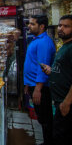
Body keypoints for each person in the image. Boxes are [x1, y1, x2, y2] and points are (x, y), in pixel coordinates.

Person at [23, 15, 55, 145]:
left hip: (40, 88)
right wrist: (27, 84)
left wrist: (38, 89)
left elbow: (43, 67)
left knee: (45, 119)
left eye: (32, 24)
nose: (29, 26)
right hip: (32, 84)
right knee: (42, 117)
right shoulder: (37, 39)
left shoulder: (44, 43)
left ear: (41, 26)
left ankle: (49, 142)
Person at [42, 15, 72, 144]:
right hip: (60, 100)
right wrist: (51, 70)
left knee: (61, 137)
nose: (61, 29)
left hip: (66, 102)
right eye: (60, 25)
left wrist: (67, 102)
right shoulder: (64, 46)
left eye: (66, 26)